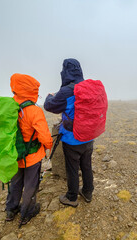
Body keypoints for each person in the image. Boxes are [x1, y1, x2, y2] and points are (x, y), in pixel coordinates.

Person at [44, 58, 94, 207]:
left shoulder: (67, 91)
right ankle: (87, 191)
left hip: (72, 139)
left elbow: (50, 106)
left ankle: (71, 197)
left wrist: (50, 96)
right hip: (89, 135)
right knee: (86, 165)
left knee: (72, 168)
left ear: (65, 72)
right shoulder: (88, 87)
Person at [6, 73, 53, 224]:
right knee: (31, 185)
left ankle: (11, 210)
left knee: (15, 182)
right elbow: (44, 135)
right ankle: (27, 213)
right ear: (32, 91)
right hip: (32, 157)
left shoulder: (8, 107)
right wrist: (48, 147)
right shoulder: (34, 110)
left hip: (14, 155)